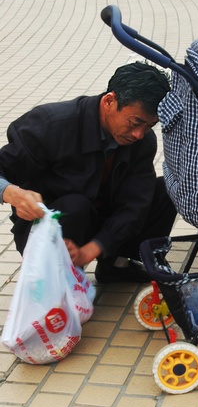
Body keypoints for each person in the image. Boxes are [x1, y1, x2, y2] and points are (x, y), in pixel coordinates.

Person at [0, 61, 177, 283]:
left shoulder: (142, 142)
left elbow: (135, 205)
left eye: (150, 125)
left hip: (99, 220)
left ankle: (116, 265)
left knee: (165, 190)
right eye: (135, 122)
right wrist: (12, 193)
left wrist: (93, 249)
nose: (139, 134)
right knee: (77, 206)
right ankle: (58, 278)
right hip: (51, 226)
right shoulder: (50, 124)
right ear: (109, 101)